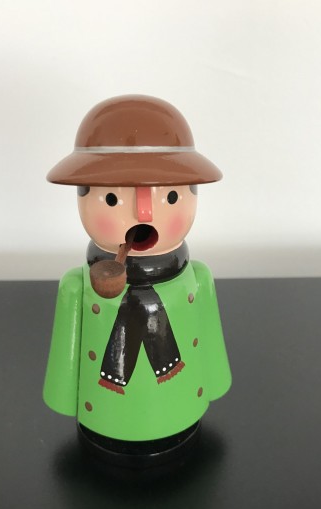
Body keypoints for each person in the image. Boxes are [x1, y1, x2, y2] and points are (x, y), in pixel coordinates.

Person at [43, 95, 231, 466]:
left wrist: (213, 383)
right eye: (112, 199)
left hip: (185, 412)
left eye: (170, 196)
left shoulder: (197, 278)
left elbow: (210, 348)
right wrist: (65, 397)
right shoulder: (78, 287)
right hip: (102, 420)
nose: (143, 213)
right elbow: (66, 360)